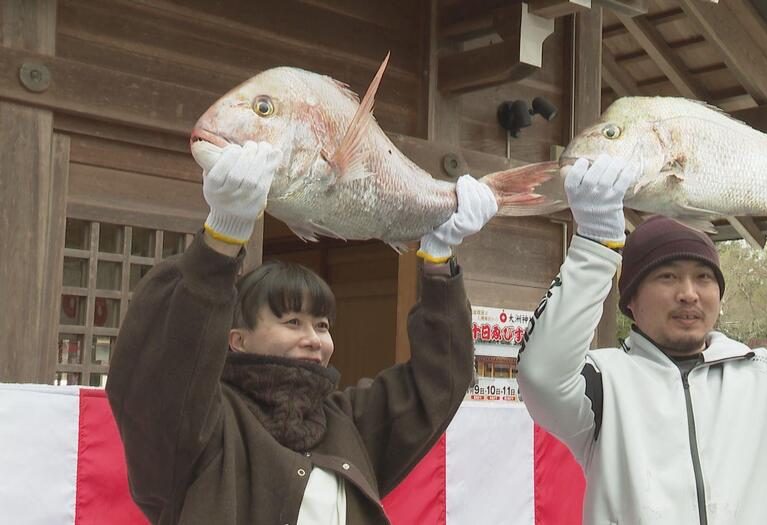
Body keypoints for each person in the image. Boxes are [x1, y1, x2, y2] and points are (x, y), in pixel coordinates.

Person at [106, 141, 498, 524]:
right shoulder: (209, 424)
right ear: (237, 339)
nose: (314, 338)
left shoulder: (346, 422)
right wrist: (220, 240)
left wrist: (439, 262)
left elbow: (440, 381)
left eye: (322, 324)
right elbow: (164, 371)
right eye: (292, 322)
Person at [516, 146, 767, 524]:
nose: (689, 292)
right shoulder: (602, 383)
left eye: (704, 278)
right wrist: (594, 246)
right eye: (667, 276)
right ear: (630, 300)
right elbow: (541, 375)